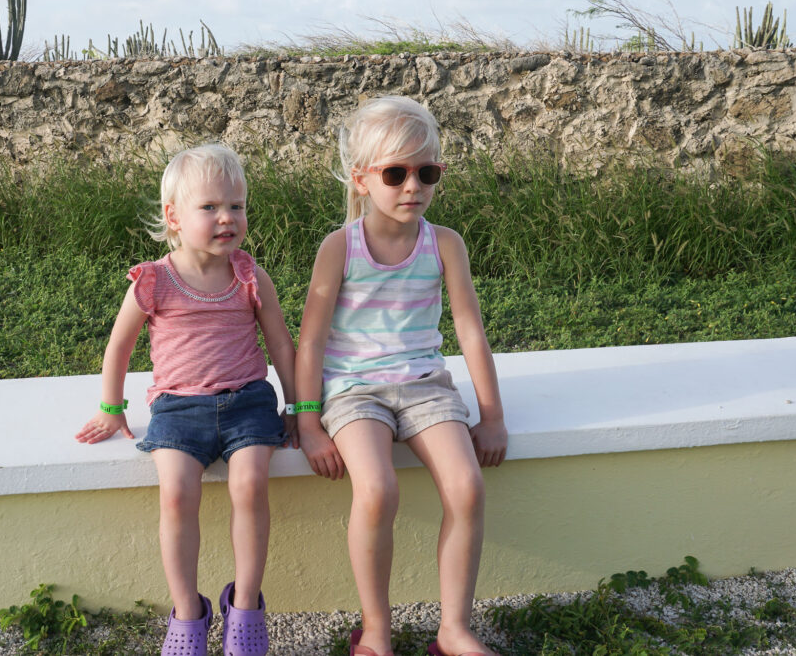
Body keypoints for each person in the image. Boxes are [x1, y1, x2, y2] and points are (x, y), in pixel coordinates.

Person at [294, 96, 508, 656]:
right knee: (377, 489)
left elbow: (471, 333)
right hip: (353, 391)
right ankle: (375, 630)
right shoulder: (340, 247)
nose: (413, 185)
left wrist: (492, 417)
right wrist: (308, 422)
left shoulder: (445, 245)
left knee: (466, 487)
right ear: (362, 179)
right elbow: (311, 340)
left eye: (427, 171)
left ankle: (454, 630)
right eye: (396, 173)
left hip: (423, 386)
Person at [75, 143, 296, 656]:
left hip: (247, 402)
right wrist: (112, 408)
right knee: (175, 494)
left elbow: (281, 342)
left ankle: (244, 608)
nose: (228, 218)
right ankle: (188, 613)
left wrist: (299, 409)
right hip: (177, 407)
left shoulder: (248, 274)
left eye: (237, 206)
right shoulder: (154, 281)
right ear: (173, 216)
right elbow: (119, 345)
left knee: (251, 484)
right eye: (211, 207)